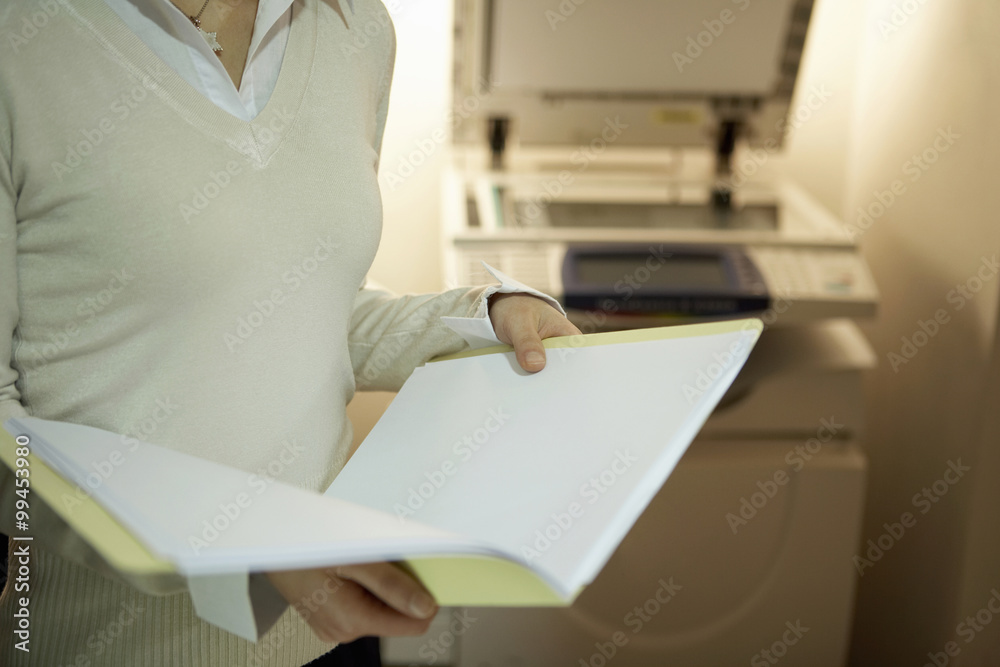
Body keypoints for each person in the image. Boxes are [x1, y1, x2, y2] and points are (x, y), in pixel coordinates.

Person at [0, 0, 581, 665]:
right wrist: (246, 551)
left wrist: (486, 318)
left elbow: (307, 312)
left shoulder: (355, 28)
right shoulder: (20, 38)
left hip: (331, 629)